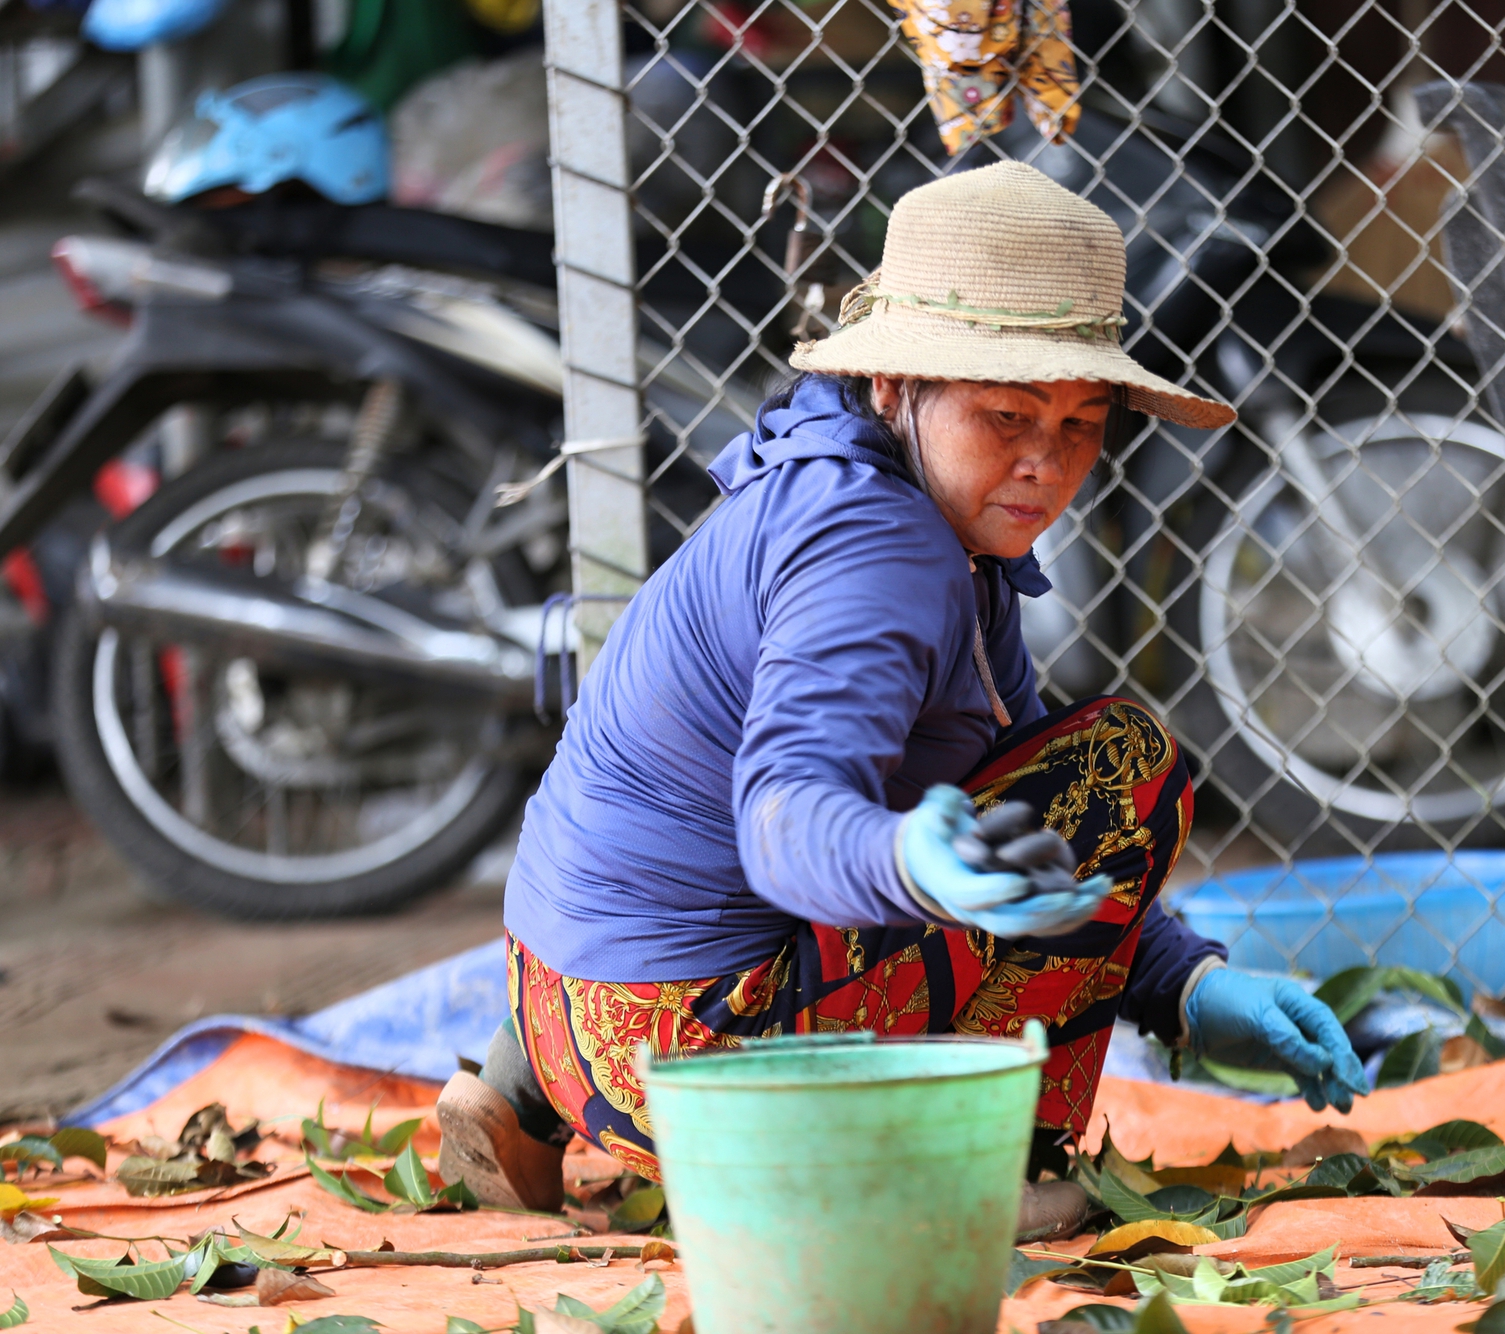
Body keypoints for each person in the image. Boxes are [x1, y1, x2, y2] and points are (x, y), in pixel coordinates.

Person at [435, 161, 1370, 1232]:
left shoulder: (858, 485)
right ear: (894, 384)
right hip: (689, 1062)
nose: (1043, 465)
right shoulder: (880, 550)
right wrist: (909, 859)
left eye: (1078, 423)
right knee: (1125, 764)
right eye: (1005, 414)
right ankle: (970, 1168)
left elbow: (1019, 813)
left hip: (554, 1000)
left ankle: (519, 1094)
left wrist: (1189, 986)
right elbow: (784, 816)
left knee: (1038, 792)